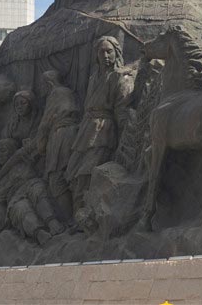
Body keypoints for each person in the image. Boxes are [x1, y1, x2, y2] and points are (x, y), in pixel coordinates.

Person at [66, 36, 135, 210]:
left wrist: (126, 134)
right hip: (86, 128)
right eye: (101, 52)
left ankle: (86, 214)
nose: (105, 55)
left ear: (116, 53)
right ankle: (77, 216)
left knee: (88, 173)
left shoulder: (121, 78)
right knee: (74, 171)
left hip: (103, 130)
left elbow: (122, 108)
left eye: (109, 51)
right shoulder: (93, 78)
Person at [36, 71, 80, 221]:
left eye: (42, 85)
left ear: (49, 84)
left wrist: (40, 145)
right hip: (72, 133)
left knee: (56, 178)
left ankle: (70, 220)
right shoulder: (68, 92)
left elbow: (46, 122)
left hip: (61, 135)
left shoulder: (56, 93)